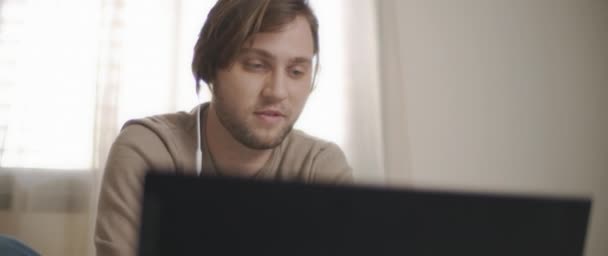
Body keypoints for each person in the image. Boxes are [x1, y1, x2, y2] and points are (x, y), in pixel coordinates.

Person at [94, 0, 354, 255]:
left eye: (296, 71)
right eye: (256, 65)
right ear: (211, 67)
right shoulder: (148, 152)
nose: (277, 92)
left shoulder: (319, 167)